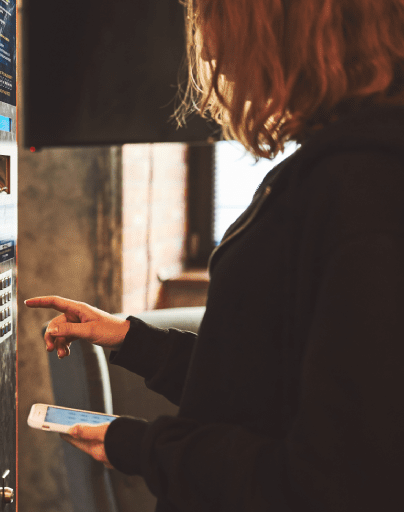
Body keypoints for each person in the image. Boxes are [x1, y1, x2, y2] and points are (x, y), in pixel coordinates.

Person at [25, 0, 404, 510]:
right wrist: (132, 338)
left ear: (284, 25)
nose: (211, 52)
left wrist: (145, 447)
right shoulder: (340, 170)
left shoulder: (364, 191)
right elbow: (265, 383)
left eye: (216, 21)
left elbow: (331, 482)